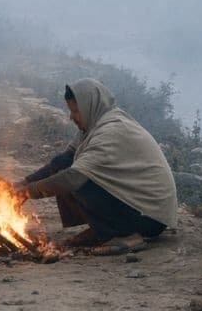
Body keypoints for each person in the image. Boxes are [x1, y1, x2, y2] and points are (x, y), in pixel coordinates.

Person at [15, 78, 178, 255]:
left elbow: (73, 178)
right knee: (65, 171)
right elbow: (64, 160)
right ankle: (103, 230)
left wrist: (27, 192)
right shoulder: (94, 125)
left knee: (78, 182)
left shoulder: (111, 131)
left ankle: (126, 235)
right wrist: (23, 182)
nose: (72, 117)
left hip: (150, 217)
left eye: (76, 111)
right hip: (136, 206)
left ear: (88, 106)